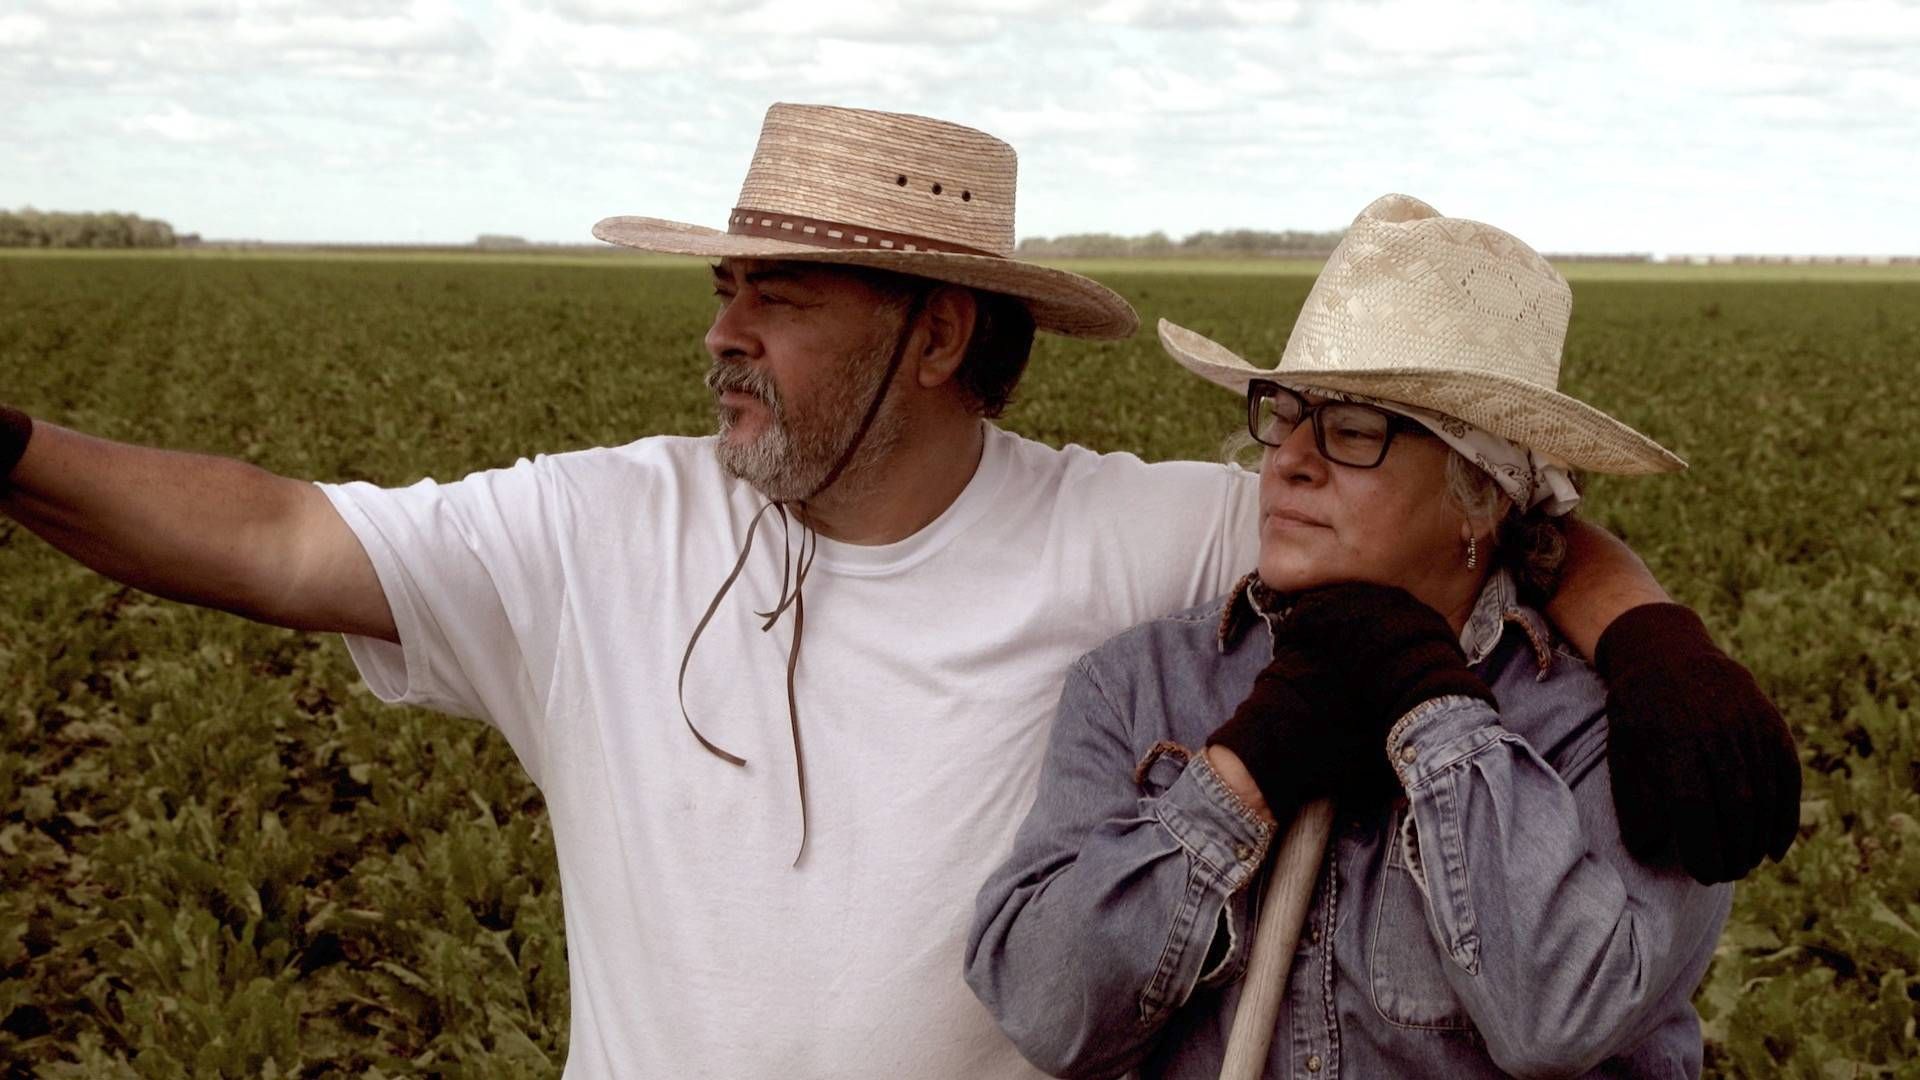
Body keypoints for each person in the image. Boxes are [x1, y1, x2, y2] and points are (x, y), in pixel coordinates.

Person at [0, 109, 1791, 1079]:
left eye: (781, 295)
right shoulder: (601, 529)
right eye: (725, 284)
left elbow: (1427, 525)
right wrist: (9, 448)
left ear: (936, 332)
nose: (720, 332)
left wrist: (1642, 625)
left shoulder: (1134, 538)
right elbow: (274, 541)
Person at [966, 194, 1774, 1078]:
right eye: (1284, 415)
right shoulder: (1142, 681)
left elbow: (1557, 1016)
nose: (1290, 459)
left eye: (1352, 430)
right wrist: (1242, 775)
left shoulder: (1620, 728)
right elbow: (1045, 1011)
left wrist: (1430, 706)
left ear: (1482, 489)